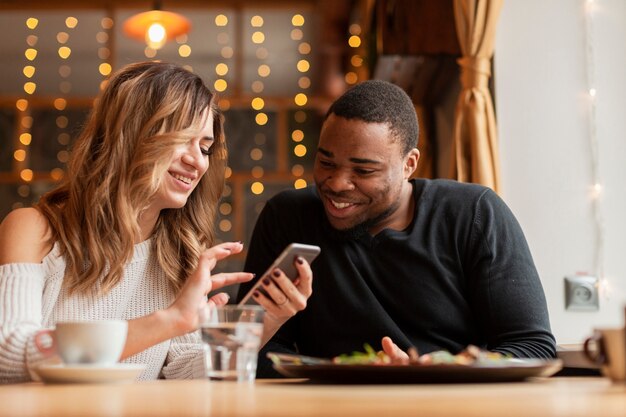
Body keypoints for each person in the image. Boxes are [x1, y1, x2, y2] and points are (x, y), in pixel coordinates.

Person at [0, 61, 313, 383]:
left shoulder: (180, 253)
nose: (197, 161)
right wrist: (171, 320)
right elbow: (9, 356)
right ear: (130, 136)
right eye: (182, 140)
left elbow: (185, 374)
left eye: (205, 148)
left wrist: (264, 321)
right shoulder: (35, 229)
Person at [237, 79, 556, 377]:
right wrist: (340, 374)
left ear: (409, 164)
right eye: (326, 162)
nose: (336, 183)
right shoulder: (287, 217)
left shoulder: (472, 213)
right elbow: (251, 348)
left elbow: (532, 346)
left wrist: (440, 369)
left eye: (363, 170)